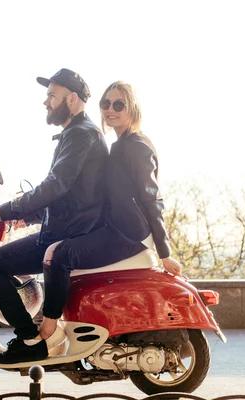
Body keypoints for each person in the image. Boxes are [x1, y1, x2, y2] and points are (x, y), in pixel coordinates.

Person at [0, 68, 108, 364]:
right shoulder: (76, 134)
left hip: (67, 236)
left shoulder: (80, 135)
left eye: (51, 96)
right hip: (63, 229)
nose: (46, 102)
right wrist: (29, 215)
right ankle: (31, 335)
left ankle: (30, 339)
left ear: (72, 100)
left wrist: (5, 209)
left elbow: (56, 185)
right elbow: (69, 193)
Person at [39, 81, 183, 340]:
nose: (110, 110)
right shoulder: (117, 146)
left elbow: (153, 200)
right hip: (114, 229)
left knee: (61, 256)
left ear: (133, 109)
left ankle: (48, 330)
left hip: (128, 234)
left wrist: (165, 253)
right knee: (58, 250)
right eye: (105, 104)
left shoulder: (137, 147)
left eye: (118, 104)